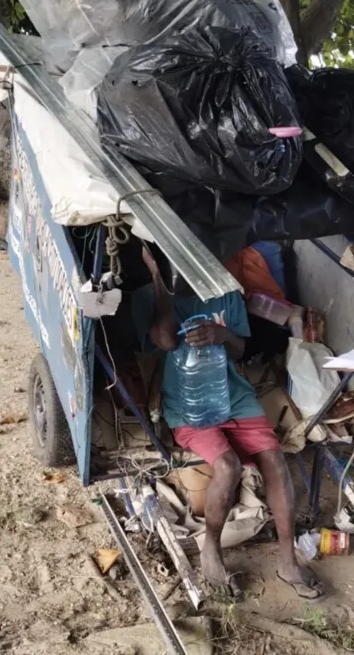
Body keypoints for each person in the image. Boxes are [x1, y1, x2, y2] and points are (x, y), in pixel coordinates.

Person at [133, 246, 322, 599]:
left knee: (276, 463)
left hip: (232, 394)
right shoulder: (148, 298)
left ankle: (287, 559)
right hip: (186, 404)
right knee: (227, 465)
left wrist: (223, 336)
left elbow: (239, 351)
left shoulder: (225, 293)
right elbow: (164, 340)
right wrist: (159, 281)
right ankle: (211, 550)